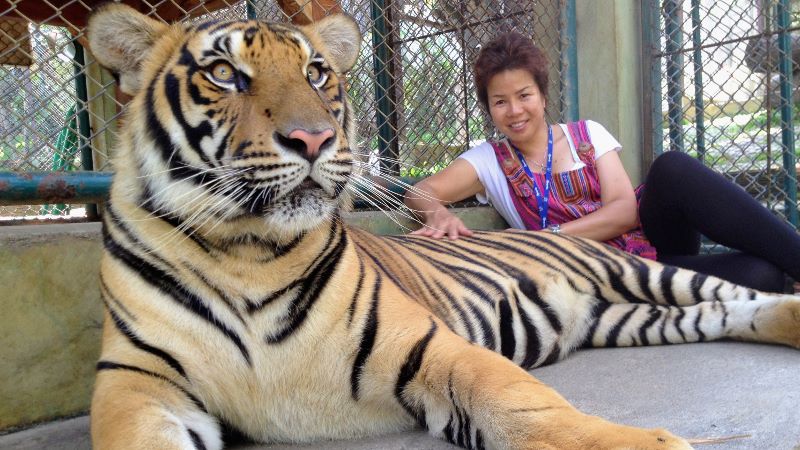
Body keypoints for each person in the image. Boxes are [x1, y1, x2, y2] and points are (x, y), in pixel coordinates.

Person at [404, 31, 800, 293]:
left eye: (523, 95)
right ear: (489, 109)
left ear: (542, 96)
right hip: (603, 279)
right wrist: (437, 214)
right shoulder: (489, 161)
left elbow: (625, 211)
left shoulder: (587, 134)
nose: (515, 111)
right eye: (499, 101)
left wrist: (546, 239)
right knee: (761, 277)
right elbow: (421, 190)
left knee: (672, 168)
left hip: (651, 245)